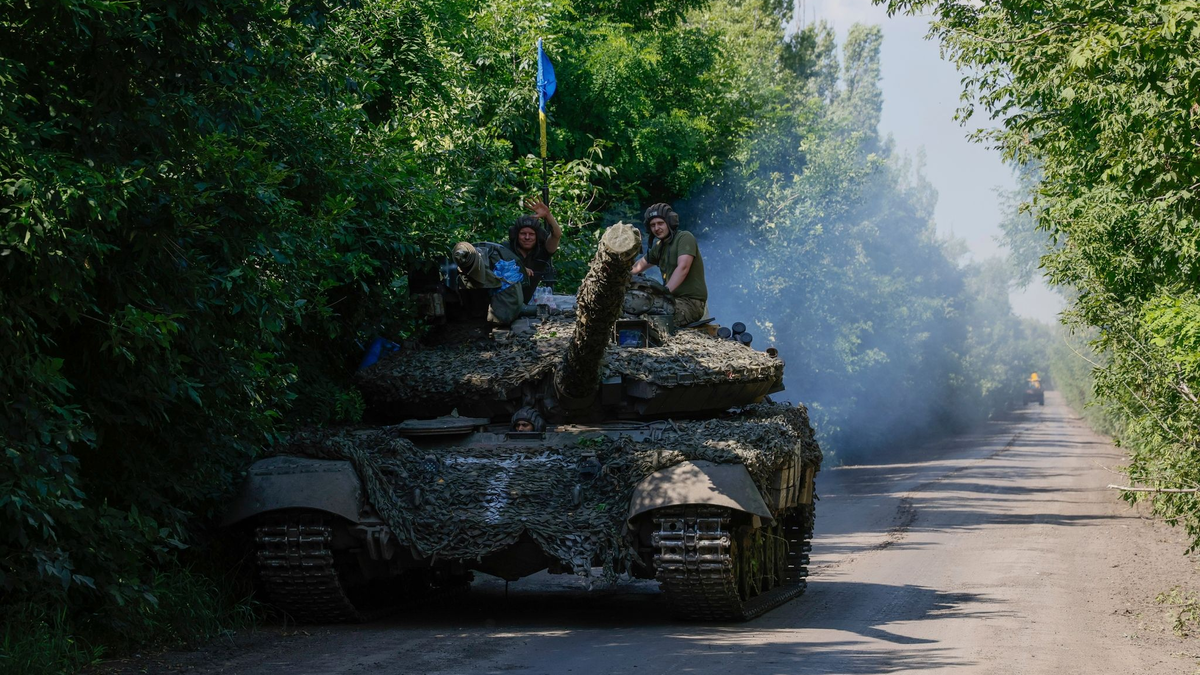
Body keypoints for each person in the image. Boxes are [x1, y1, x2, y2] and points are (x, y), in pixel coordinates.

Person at [630, 202, 708, 325]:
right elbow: (637, 267)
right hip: (671, 300)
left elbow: (683, 267)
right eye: (653, 225)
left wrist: (664, 293)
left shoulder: (684, 238)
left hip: (691, 303)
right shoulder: (659, 247)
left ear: (670, 222)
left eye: (660, 223)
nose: (656, 228)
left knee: (655, 315)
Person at [452, 241, 525, 326]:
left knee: (502, 313)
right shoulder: (467, 263)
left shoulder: (495, 257)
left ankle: (492, 319)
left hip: (502, 298)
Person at [509, 199, 563, 302]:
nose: (527, 237)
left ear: (537, 236)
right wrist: (519, 269)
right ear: (516, 235)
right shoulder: (506, 249)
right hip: (501, 302)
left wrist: (548, 215)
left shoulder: (542, 252)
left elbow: (557, 235)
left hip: (524, 303)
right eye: (523, 234)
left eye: (531, 234)